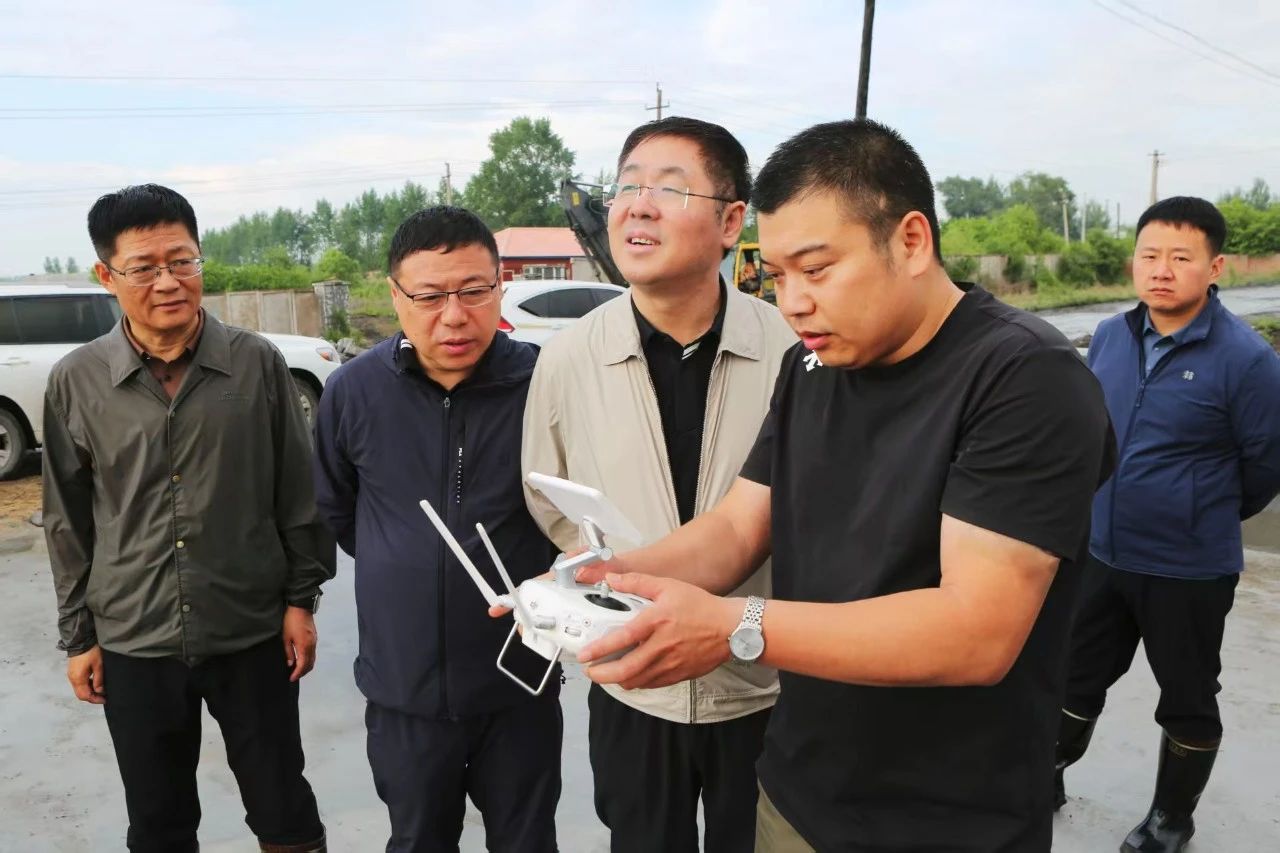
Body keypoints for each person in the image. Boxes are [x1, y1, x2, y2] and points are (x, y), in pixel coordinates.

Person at [566, 119, 1117, 852]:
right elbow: (737, 528)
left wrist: (734, 625)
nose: (793, 302)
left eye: (817, 269)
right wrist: (609, 576)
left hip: (946, 821)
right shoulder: (811, 367)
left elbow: (976, 630)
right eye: (777, 275)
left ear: (911, 241)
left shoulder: (1022, 377)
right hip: (795, 791)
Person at [521, 116, 795, 852]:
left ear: (731, 222)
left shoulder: (792, 351)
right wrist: (603, 579)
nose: (637, 205)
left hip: (765, 680)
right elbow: (547, 494)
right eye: (627, 187)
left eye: (670, 190)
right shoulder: (569, 358)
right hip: (632, 680)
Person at [43, 184, 333, 853]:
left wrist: (301, 599)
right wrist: (79, 636)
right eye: (144, 267)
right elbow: (68, 520)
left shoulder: (255, 363)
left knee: (283, 805)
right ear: (107, 275)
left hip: (251, 628)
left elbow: (296, 491)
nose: (169, 281)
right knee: (158, 819)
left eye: (183, 260)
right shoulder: (77, 380)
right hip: (134, 635)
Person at [313, 206, 561, 853]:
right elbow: (339, 509)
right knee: (418, 838)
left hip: (519, 679)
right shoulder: (354, 391)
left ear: (500, 286)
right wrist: (407, 561)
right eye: (429, 296)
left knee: (528, 841)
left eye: (474, 291)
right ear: (396, 295)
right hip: (404, 686)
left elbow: (574, 519)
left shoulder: (544, 384)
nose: (453, 316)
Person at [1054, 197, 1280, 853]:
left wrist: (1198, 508)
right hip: (1102, 551)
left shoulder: (1247, 359)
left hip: (1188, 567)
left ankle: (1171, 819)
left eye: (1181, 257)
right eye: (1150, 255)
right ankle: (1047, 770)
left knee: (1186, 694)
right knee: (1073, 674)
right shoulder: (1110, 335)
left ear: (1216, 267)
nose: (1161, 269)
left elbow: (1266, 463)